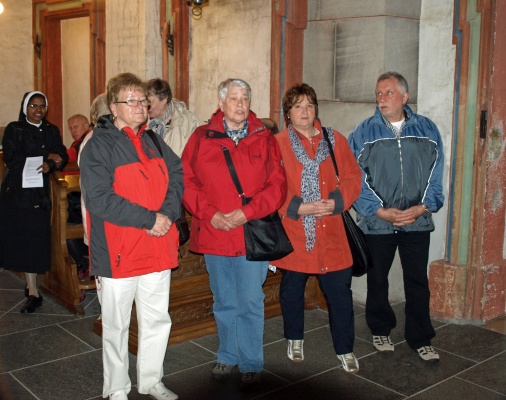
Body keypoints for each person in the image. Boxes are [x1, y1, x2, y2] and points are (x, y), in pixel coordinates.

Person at [80, 73, 183, 400]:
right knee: (117, 327)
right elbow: (99, 198)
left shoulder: (153, 139)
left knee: (156, 320)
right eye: (132, 101)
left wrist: (167, 213)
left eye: (143, 100)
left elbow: (177, 174)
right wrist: (149, 219)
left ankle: (151, 381)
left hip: (156, 246)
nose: (141, 106)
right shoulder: (98, 143)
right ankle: (117, 389)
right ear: (114, 106)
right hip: (119, 251)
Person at [181, 78, 287, 391]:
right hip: (215, 233)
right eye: (234, 99)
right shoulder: (201, 137)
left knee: (251, 301)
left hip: (249, 232)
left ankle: (252, 362)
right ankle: (227, 354)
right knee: (224, 300)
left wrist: (247, 212)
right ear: (222, 102)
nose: (240, 104)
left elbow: (277, 184)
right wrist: (210, 213)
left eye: (245, 98)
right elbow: (186, 182)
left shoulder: (263, 137)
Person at [348, 71, 445, 363]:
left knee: (417, 280)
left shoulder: (427, 129)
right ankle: (380, 328)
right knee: (378, 279)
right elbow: (354, 178)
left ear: (405, 96)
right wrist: (378, 210)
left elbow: (437, 174)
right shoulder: (363, 132)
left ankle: (420, 337)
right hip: (378, 222)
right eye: (378, 94)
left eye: (388, 93)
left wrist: (423, 206)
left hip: (417, 219)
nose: (381, 99)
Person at [270, 83, 362, 373]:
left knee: (339, 294)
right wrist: (298, 207)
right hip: (296, 232)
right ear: (288, 113)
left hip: (332, 232)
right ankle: (294, 337)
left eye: (309, 105)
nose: (305, 111)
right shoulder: (278, 143)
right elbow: (272, 185)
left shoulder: (335, 140)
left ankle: (345, 348)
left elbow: (353, 177)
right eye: (298, 106)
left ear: (316, 109)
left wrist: (335, 202)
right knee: (292, 290)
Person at [0, 91, 68, 313]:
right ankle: (31, 288)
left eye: (41, 106)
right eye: (33, 106)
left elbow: (62, 154)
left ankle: (32, 289)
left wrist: (52, 162)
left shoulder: (51, 130)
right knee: (23, 238)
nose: (38, 110)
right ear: (25, 108)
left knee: (36, 239)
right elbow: (10, 156)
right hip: (18, 193)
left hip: (41, 193)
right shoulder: (14, 128)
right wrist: (46, 156)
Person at [146, 78, 200, 157]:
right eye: (144, 101)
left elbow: (197, 155)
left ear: (164, 99)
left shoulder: (189, 122)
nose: (146, 106)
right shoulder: (139, 121)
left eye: (150, 102)